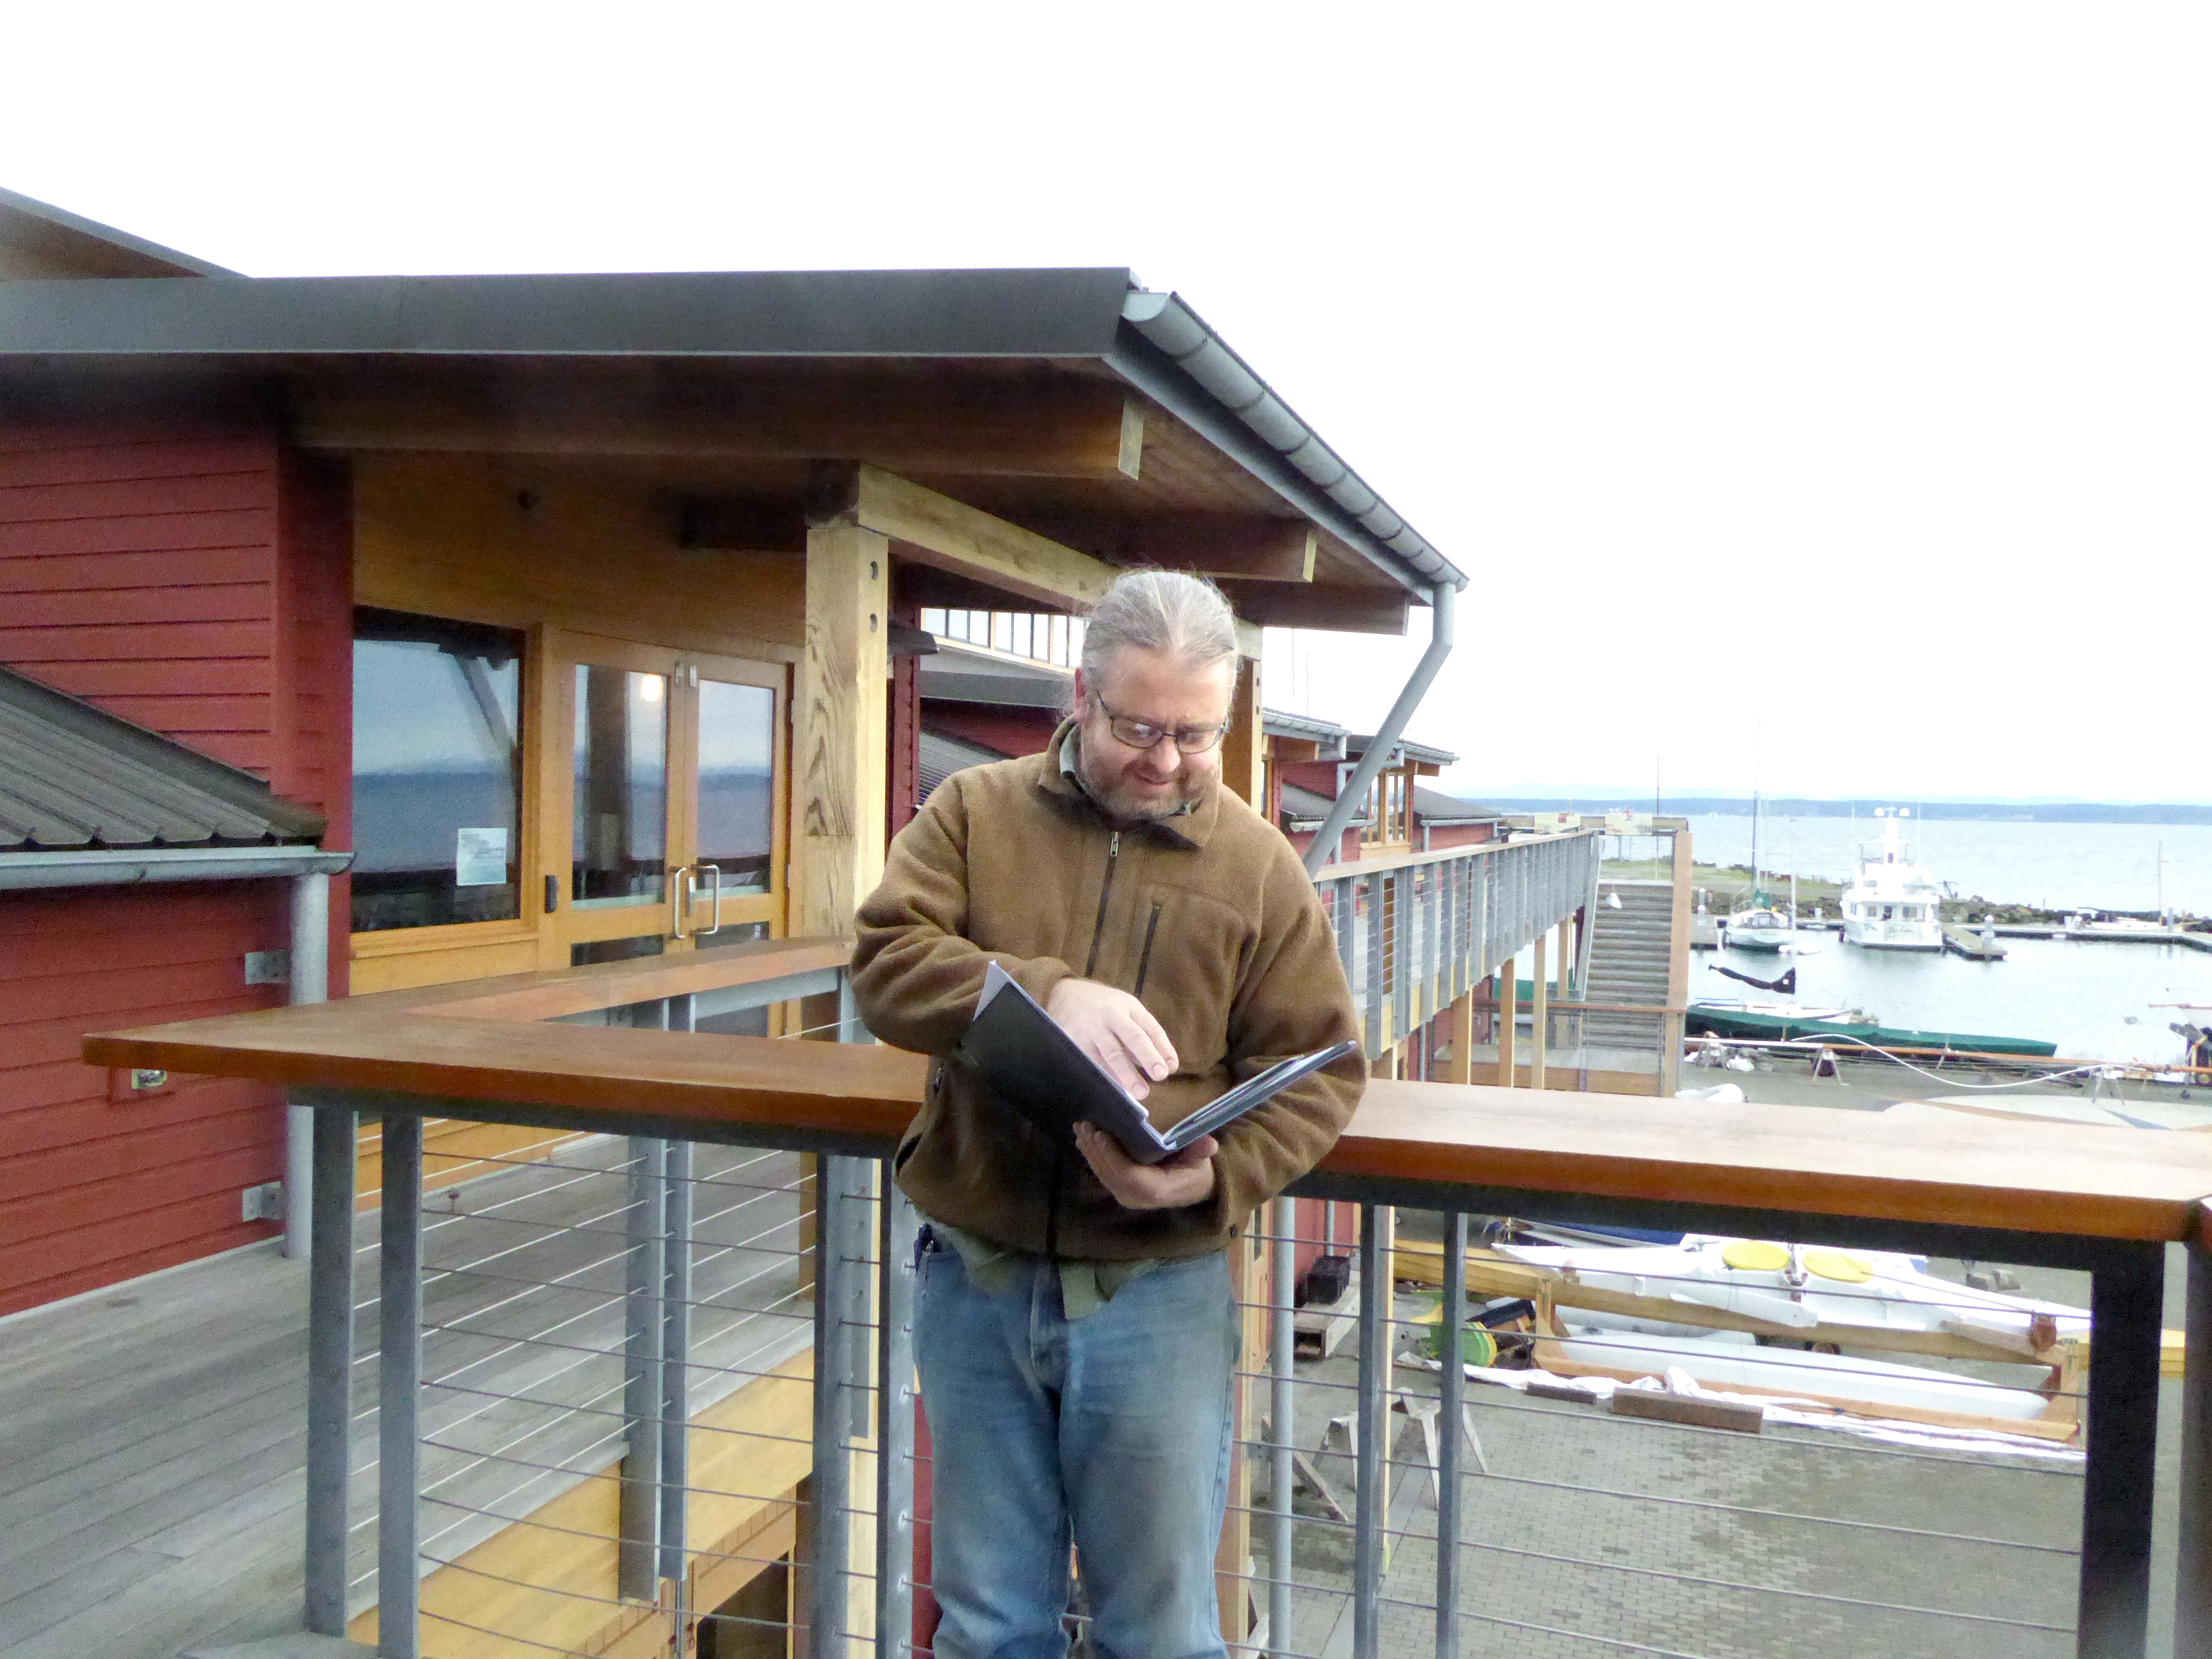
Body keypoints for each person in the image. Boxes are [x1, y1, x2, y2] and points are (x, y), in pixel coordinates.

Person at [850, 569, 1364, 1659]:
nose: (1169, 760)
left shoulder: (1260, 868)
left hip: (1159, 1288)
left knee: (1164, 1635)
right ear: (1080, 698)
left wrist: (1214, 1178)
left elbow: (1322, 1069)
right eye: (1140, 726)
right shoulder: (972, 814)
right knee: (987, 1628)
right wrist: (1046, 991)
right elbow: (887, 965)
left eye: (1197, 733)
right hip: (976, 1275)